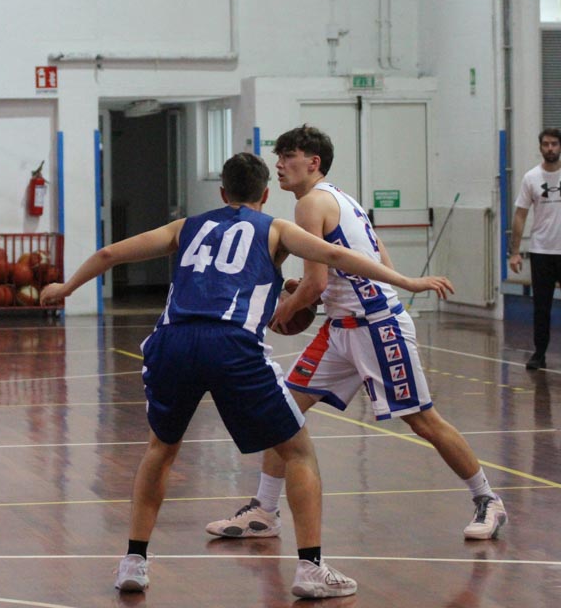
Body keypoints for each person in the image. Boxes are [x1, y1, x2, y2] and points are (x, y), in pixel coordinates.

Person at [40, 152, 453, 599]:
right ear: (265, 194)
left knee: (161, 449)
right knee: (298, 452)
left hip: (173, 341)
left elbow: (109, 253)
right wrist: (407, 282)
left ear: (222, 192)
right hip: (231, 345)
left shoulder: (185, 227)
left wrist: (66, 287)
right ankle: (310, 569)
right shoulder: (275, 229)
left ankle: (134, 562)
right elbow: (337, 254)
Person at [205, 125, 509, 545]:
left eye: (288, 156)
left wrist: (283, 311)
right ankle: (264, 511)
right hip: (340, 328)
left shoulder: (310, 203)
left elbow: (316, 284)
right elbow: (373, 256)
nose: (279, 164)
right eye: (278, 157)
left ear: (313, 162)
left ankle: (487, 499)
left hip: (376, 326)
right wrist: (315, 292)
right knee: (282, 412)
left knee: (423, 421)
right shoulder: (342, 199)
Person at [509, 128, 561, 371]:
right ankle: (539, 353)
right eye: (546, 144)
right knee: (541, 307)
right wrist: (515, 251)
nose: (550, 148)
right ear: (540, 147)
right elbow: (520, 215)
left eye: (554, 144)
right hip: (541, 251)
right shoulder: (531, 177)